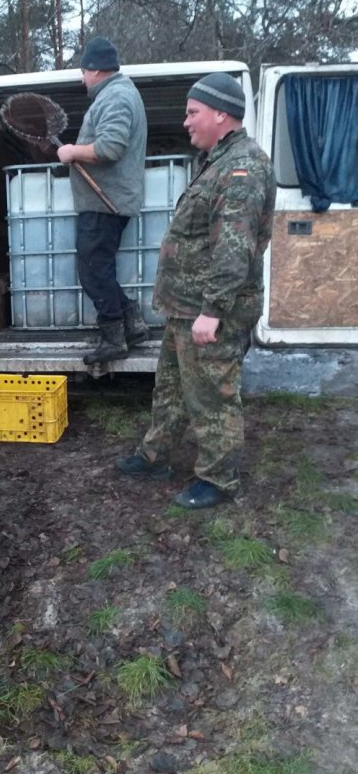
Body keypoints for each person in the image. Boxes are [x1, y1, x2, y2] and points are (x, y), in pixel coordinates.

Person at [117, 73, 277, 509]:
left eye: (193, 113)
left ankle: (219, 479)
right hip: (186, 307)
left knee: (212, 395)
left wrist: (213, 310)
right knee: (169, 386)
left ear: (221, 113)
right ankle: (155, 457)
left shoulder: (241, 168)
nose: (186, 122)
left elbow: (234, 247)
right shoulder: (218, 160)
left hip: (210, 311)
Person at [57, 36, 148, 365]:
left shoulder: (116, 97)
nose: (82, 80)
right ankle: (132, 324)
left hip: (105, 202)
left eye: (82, 72)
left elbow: (110, 148)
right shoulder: (119, 94)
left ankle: (114, 338)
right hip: (108, 200)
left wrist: (71, 152)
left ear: (93, 70)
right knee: (100, 267)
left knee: (93, 271)